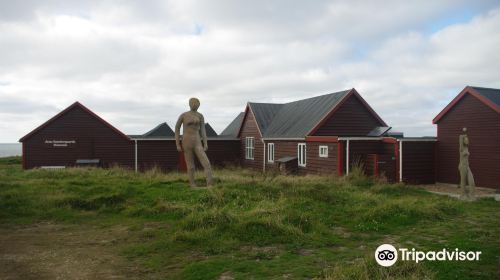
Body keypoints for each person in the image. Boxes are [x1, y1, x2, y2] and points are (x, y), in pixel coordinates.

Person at [175, 98, 213, 188]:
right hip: (187, 141)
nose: (195, 104)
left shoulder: (200, 116)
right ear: (189, 104)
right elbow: (177, 129)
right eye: (193, 103)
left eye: (196, 103)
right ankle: (192, 184)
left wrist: (205, 143)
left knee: (206, 163)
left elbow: (203, 130)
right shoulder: (184, 115)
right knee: (190, 165)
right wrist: (177, 144)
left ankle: (210, 184)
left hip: (197, 141)